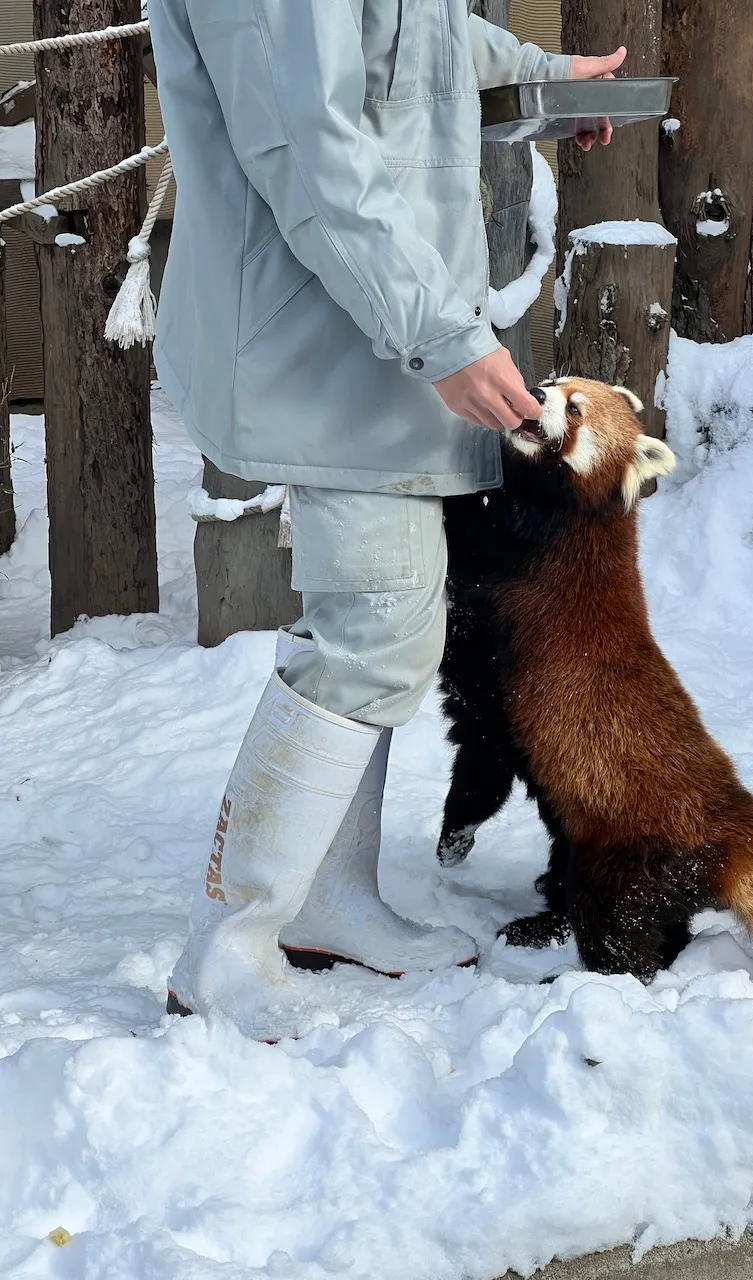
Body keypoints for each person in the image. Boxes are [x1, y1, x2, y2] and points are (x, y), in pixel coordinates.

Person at [149, 0, 624, 1041]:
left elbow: (410, 33)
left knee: (375, 625)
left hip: (369, 323)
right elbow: (306, 146)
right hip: (325, 329)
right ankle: (227, 952)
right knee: (375, 631)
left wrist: (540, 75)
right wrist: (441, 334)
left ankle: (323, 897)